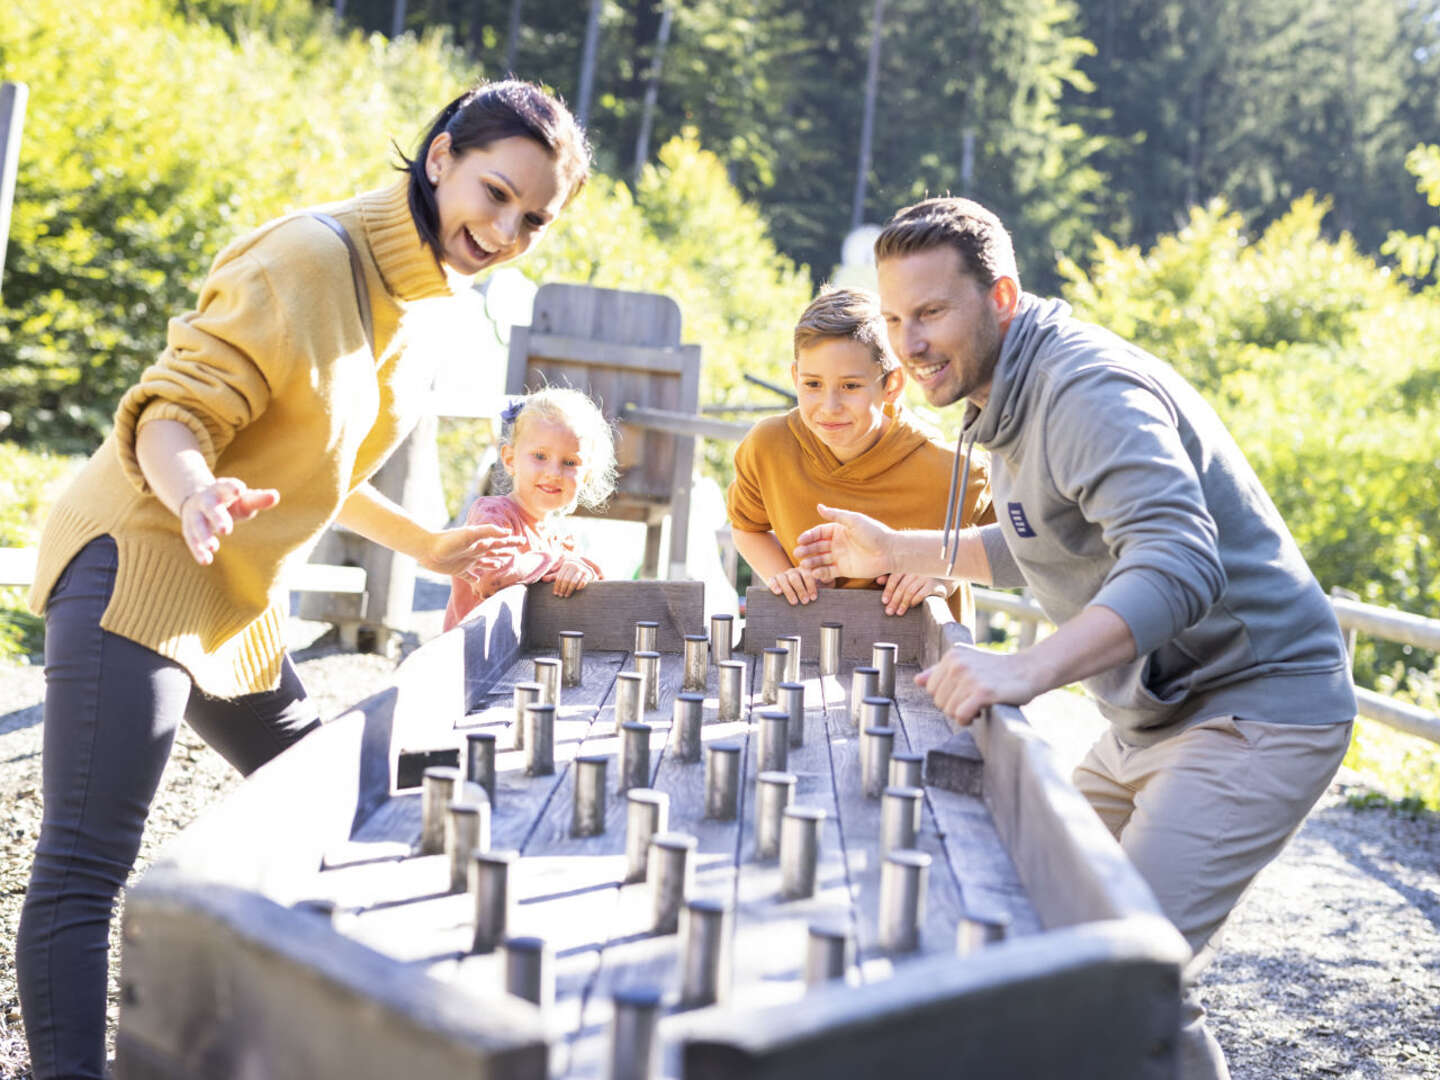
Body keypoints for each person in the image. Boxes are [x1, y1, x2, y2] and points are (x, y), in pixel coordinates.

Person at [16, 80, 591, 1080]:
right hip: (142, 562)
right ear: (442, 154)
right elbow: (173, 412)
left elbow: (321, 458)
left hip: (231, 601)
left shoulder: (421, 301)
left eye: (533, 219)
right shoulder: (308, 258)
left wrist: (424, 544)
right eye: (495, 194)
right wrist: (196, 492)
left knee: (346, 796)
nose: (504, 231)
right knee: (84, 862)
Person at [793, 197, 1356, 1080]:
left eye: (932, 312)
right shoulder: (1004, 397)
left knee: (1115, 986)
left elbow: (1177, 563)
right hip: (1152, 721)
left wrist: (1024, 669)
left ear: (1003, 297)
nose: (910, 342)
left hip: (1256, 711)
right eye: (897, 318)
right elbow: (1042, 540)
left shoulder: (1083, 389)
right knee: (1042, 936)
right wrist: (901, 549)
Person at [726, 286, 994, 623]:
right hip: (807, 647)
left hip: (924, 660)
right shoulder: (767, 446)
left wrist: (944, 574)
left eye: (850, 386)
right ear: (795, 377)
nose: (829, 406)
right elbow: (747, 526)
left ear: (892, 385)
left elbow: (1013, 549)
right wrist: (783, 575)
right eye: (812, 385)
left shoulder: (955, 471)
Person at [443, 387, 616, 629]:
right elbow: (490, 578)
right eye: (540, 456)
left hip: (525, 660)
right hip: (472, 660)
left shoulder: (561, 541)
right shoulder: (493, 517)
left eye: (570, 462)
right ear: (510, 460)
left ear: (586, 476)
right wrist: (556, 561)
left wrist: (581, 571)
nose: (553, 473)